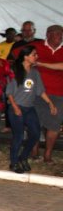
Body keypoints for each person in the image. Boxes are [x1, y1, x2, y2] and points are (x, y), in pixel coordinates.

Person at [6, 46, 57, 173]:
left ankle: (23, 157)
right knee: (18, 136)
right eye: (34, 54)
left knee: (35, 134)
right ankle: (14, 162)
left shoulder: (35, 73)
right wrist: (15, 107)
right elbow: (9, 92)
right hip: (17, 106)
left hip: (29, 108)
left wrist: (50, 103)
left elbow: (40, 91)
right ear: (26, 56)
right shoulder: (15, 71)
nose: (36, 57)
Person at [32, 25, 63, 163]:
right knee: (34, 123)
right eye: (57, 33)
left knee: (54, 124)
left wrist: (40, 64)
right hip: (37, 92)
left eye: (61, 34)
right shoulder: (36, 46)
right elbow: (18, 56)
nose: (60, 36)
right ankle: (34, 152)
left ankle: (48, 154)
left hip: (58, 93)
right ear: (48, 34)